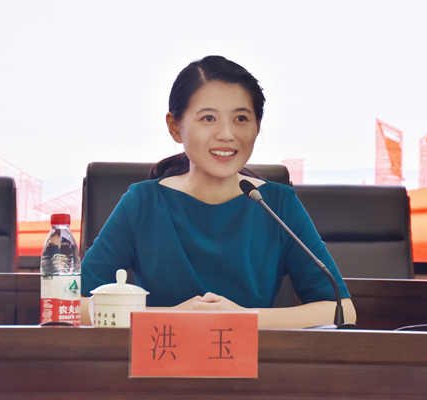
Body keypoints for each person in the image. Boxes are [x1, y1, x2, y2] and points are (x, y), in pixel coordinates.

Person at [80, 55, 356, 328]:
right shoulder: (142, 203)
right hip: (162, 354)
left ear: (257, 127)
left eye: (241, 118)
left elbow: (342, 310)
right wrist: (171, 317)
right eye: (209, 118)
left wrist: (245, 318)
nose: (226, 134)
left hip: (254, 357)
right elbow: (70, 306)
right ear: (175, 127)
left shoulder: (277, 204)